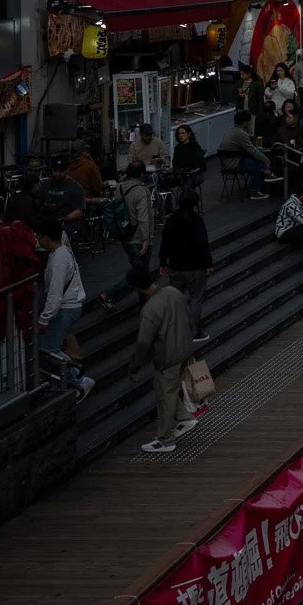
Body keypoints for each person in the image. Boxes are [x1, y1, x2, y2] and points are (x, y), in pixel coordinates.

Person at [126, 263, 196, 454]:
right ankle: (184, 417)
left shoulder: (149, 310)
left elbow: (143, 343)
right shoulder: (173, 292)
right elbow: (190, 318)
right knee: (168, 389)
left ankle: (166, 440)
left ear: (135, 288)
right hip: (185, 349)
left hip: (168, 356)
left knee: (165, 394)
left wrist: (134, 367)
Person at [36, 227, 92, 394]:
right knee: (50, 347)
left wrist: (44, 318)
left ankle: (78, 380)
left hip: (66, 308)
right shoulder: (61, 252)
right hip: (68, 306)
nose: (38, 240)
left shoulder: (59, 258)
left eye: (39, 236)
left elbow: (55, 292)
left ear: (46, 237)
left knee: (49, 349)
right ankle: (77, 375)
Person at [156, 189, 212, 346]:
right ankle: (192, 331)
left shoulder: (171, 220)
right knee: (196, 298)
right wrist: (208, 264)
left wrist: (162, 262)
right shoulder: (196, 220)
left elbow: (164, 241)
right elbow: (202, 244)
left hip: (175, 266)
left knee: (176, 299)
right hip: (194, 266)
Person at [112, 151, 154, 274]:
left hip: (125, 236)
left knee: (137, 271)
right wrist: (146, 240)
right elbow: (143, 217)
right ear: (142, 174)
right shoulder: (142, 190)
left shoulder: (118, 188)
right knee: (141, 275)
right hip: (138, 239)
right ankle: (110, 293)